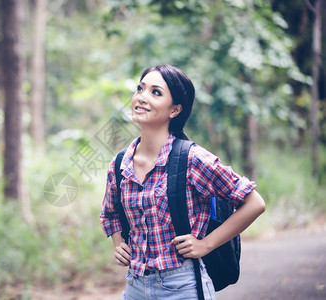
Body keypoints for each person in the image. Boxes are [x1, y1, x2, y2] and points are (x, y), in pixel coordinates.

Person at [99, 64, 266, 299]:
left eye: (155, 92)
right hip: (135, 287)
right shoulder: (120, 165)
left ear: (175, 110)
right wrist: (119, 244)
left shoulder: (192, 159)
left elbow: (254, 203)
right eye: (140, 88)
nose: (142, 97)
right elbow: (110, 214)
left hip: (182, 286)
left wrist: (206, 245)